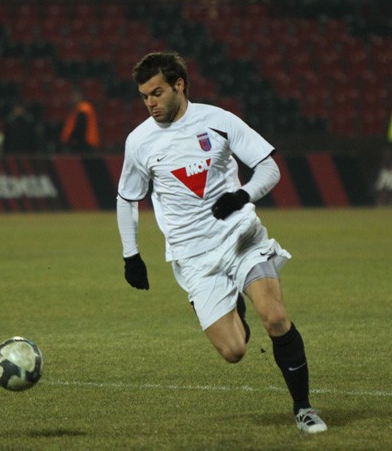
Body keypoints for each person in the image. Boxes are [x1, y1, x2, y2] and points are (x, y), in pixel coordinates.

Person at [116, 52, 327, 434]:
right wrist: (131, 255)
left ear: (179, 85)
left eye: (157, 93)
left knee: (275, 318)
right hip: (193, 256)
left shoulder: (219, 121)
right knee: (233, 351)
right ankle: (234, 306)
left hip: (239, 237)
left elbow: (269, 167)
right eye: (144, 96)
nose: (150, 103)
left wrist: (242, 196)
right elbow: (127, 198)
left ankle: (304, 409)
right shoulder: (139, 141)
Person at [59, 88, 100, 153]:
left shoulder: (84, 109)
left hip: (86, 144)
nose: (72, 98)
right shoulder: (78, 109)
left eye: (74, 96)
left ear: (80, 96)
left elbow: (80, 128)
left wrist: (72, 140)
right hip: (86, 143)